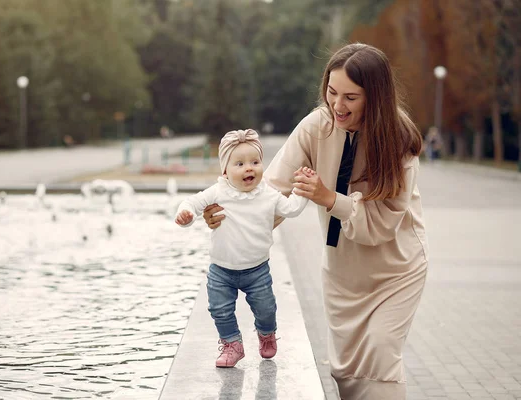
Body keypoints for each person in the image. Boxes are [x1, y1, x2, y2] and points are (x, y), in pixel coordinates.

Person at [203, 43, 428, 399]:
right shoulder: (317, 125)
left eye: (351, 97)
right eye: (332, 92)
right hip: (343, 274)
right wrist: (229, 218)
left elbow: (382, 225)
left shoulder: (400, 141)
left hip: (395, 272)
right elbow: (271, 191)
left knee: (381, 363)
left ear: (376, 97)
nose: (338, 105)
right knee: (347, 374)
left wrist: (327, 198)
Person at [174, 129, 313, 368]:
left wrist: (302, 189)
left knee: (266, 309)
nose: (249, 168)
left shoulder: (268, 194)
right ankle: (232, 345)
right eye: (239, 163)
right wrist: (185, 215)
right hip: (221, 270)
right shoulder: (219, 191)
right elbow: (193, 203)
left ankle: (267, 334)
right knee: (220, 310)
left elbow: (291, 209)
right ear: (225, 171)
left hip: (257, 270)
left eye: (255, 162)